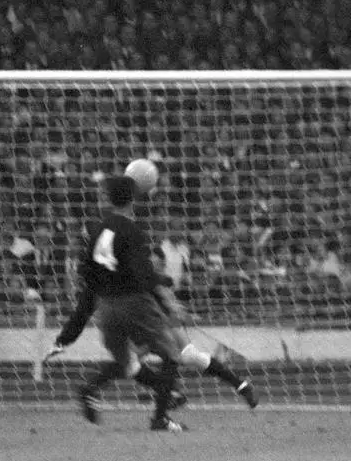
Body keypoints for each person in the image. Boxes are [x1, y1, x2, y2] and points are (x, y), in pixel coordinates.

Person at [75, 175, 188, 432]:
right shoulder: (132, 230)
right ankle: (160, 418)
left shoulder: (98, 230)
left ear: (108, 198)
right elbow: (143, 275)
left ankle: (90, 389)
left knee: (129, 362)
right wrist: (168, 304)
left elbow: (87, 272)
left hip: (106, 306)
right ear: (134, 198)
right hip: (134, 304)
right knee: (171, 355)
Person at [46, 277, 259, 411]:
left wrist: (173, 308)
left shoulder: (135, 271)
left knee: (187, 356)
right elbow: (83, 312)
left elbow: (158, 291)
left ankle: (241, 385)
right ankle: (167, 394)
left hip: (159, 320)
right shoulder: (105, 279)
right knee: (130, 362)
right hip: (141, 323)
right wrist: (63, 340)